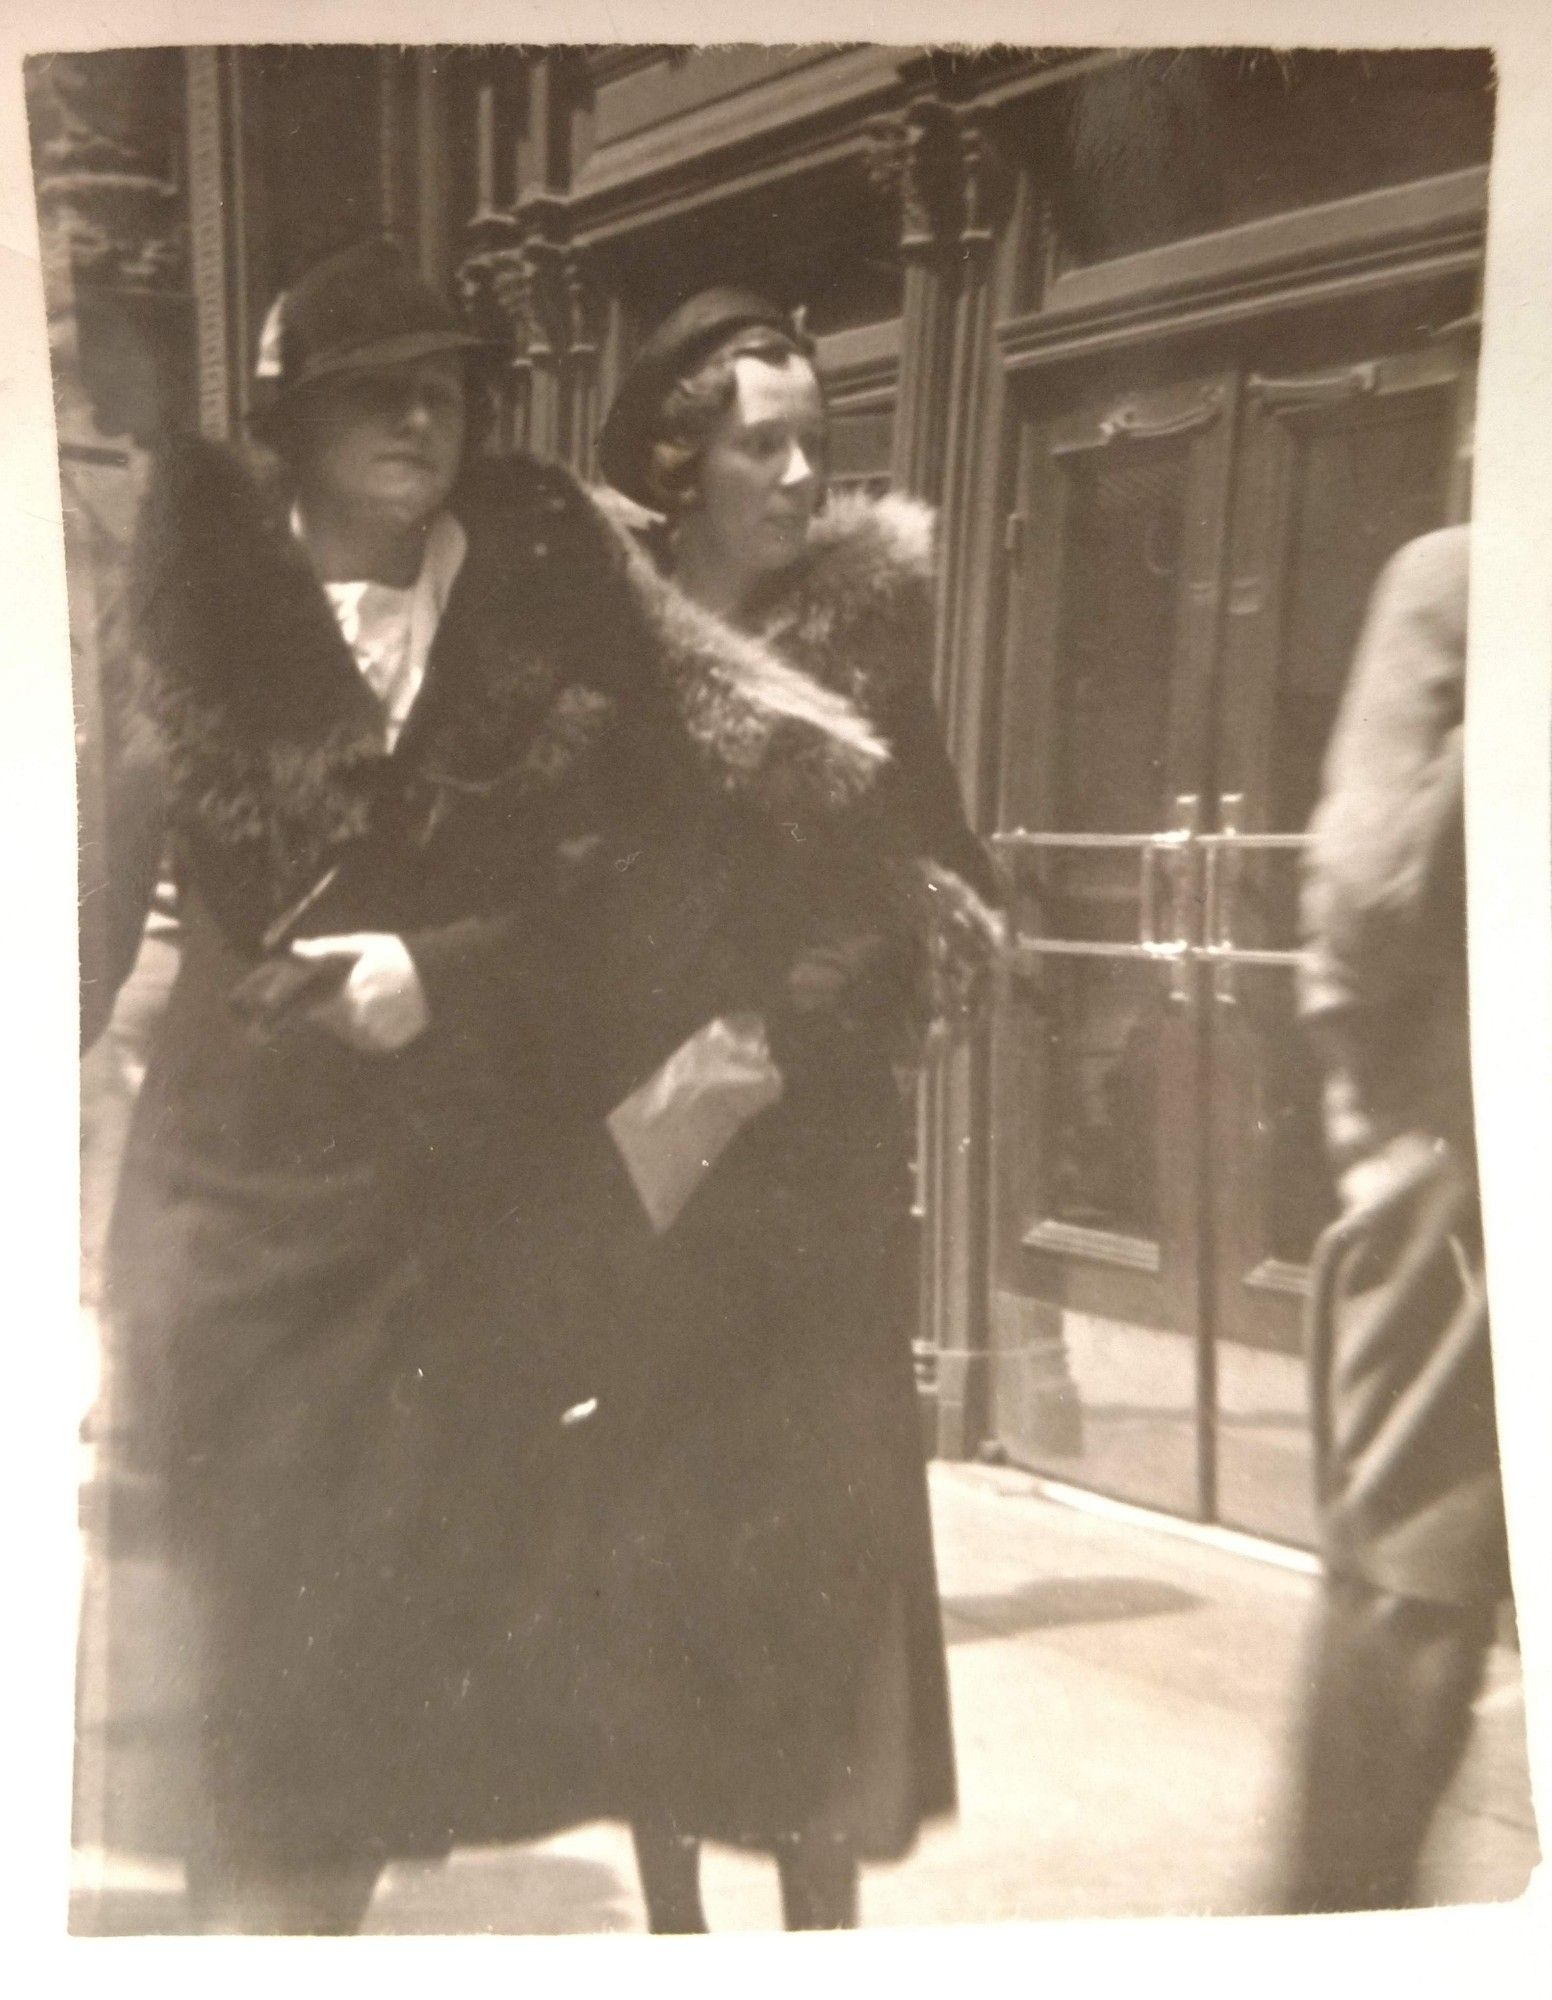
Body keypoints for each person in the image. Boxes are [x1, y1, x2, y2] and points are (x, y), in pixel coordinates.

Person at [107, 242, 904, 1932]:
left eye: (449, 384)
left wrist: (443, 977)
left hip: (441, 1248)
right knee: (251, 1719)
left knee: (382, 1718)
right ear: (292, 420)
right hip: (237, 1229)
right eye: (374, 387)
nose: (421, 412)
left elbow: (620, 902)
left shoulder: (548, 615)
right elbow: (91, 917)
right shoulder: (199, 623)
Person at [576, 290, 1003, 1930]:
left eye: (818, 439)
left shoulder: (870, 658)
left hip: (810, 1198)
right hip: (642, 1199)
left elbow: (954, 879)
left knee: (819, 1613)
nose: (805, 473)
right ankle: (676, 1936)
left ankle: (821, 1943)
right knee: (659, 1588)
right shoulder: (599, 664)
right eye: (768, 441)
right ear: (679, 466)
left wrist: (819, 992)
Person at [1281, 521, 1522, 1910]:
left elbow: (1364, 892)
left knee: (1408, 1587)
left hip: (1460, 1158)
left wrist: (1363, 1119)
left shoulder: (1460, 578)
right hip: (1460, 1151)